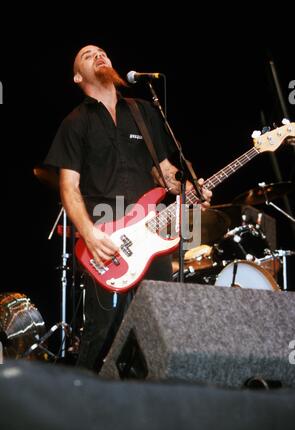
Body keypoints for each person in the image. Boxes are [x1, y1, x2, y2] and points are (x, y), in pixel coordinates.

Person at [44, 44, 212, 372]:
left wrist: (190, 188)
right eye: (87, 55)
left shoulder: (144, 111)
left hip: (149, 231)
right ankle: (81, 397)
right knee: (103, 326)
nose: (99, 55)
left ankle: (146, 402)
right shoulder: (75, 123)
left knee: (158, 320)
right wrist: (89, 234)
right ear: (78, 76)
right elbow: (68, 188)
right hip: (103, 235)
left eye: (102, 52)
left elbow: (164, 172)